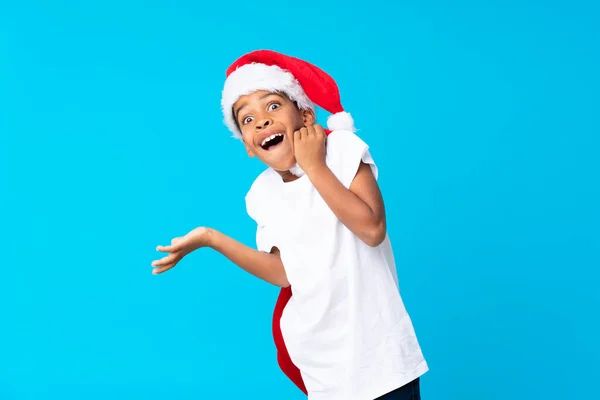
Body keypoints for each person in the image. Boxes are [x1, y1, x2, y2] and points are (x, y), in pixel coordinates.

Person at [151, 50, 428, 400]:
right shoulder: (260, 194)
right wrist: (211, 239)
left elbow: (372, 229)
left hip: (381, 355)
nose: (262, 122)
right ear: (249, 147)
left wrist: (315, 167)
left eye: (272, 106)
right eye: (247, 120)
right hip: (322, 363)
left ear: (306, 114)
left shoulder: (341, 149)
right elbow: (284, 273)